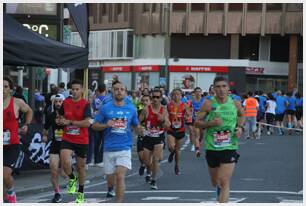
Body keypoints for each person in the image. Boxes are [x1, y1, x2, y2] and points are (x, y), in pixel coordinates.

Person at [195, 76, 245, 203]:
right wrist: (211, 123)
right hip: (212, 147)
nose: (221, 89)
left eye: (224, 86)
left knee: (224, 181)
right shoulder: (208, 104)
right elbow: (196, 123)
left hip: (230, 146)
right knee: (215, 181)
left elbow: (242, 115)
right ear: (213, 89)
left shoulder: (235, 103)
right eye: (218, 87)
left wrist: (240, 127)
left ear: (228, 88)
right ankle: (218, 187)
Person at [92, 81, 143, 203]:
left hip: (124, 148)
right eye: (116, 89)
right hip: (108, 148)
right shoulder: (105, 108)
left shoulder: (131, 108)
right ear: (112, 92)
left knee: (120, 176)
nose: (119, 91)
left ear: (125, 92)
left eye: (121, 89)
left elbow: (136, 125)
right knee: (111, 178)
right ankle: (110, 188)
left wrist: (140, 130)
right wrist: (106, 125)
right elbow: (94, 126)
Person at [58, 79, 91, 203]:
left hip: (82, 140)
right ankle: (72, 178)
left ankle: (81, 192)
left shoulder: (86, 104)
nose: (75, 91)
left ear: (82, 90)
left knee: (80, 167)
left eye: (77, 89)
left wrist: (71, 122)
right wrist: (59, 120)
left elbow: (87, 123)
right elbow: (60, 115)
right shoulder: (66, 102)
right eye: (73, 89)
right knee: (65, 160)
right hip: (68, 137)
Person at [3, 76, 33, 203]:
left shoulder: (16, 102)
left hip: (12, 145)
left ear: (10, 89)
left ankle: (10, 192)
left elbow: (29, 111)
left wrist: (26, 124)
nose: (2, 89)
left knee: (4, 175)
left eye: (5, 87)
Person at [139, 89, 170, 189]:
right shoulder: (146, 109)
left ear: (161, 98)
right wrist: (141, 129)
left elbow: (168, 126)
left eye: (157, 97)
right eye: (153, 97)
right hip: (148, 137)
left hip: (159, 137)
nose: (155, 99)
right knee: (148, 162)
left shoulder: (164, 110)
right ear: (151, 98)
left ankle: (153, 180)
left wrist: (163, 120)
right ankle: (148, 171)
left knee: (156, 160)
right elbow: (138, 122)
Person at [42, 94, 66, 202]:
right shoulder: (51, 115)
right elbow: (46, 128)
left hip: (67, 146)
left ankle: (73, 180)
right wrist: (45, 135)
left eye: (60, 101)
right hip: (55, 145)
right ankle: (57, 193)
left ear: (63, 102)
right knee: (53, 170)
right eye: (56, 101)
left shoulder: (68, 114)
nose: (58, 104)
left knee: (64, 173)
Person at [167, 88, 191, 175]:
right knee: (170, 146)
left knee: (178, 150)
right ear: (172, 96)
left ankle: (176, 165)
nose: (176, 96)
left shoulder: (184, 105)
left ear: (181, 96)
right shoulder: (169, 105)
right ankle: (171, 152)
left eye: (178, 94)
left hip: (180, 130)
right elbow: (166, 115)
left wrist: (186, 117)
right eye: (174, 94)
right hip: (171, 129)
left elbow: (188, 115)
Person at [137, 94, 152, 176]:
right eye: (143, 100)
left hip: (151, 136)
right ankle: (142, 164)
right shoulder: (139, 107)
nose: (145, 102)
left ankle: (149, 174)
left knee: (148, 158)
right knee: (141, 156)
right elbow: (136, 121)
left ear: (150, 101)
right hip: (141, 134)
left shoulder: (153, 109)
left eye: (147, 100)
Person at [191, 87, 205, 156]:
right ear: (195, 92)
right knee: (197, 135)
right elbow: (189, 110)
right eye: (197, 91)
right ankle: (197, 150)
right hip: (195, 120)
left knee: (201, 135)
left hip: (202, 121)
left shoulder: (204, 101)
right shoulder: (192, 101)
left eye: (199, 91)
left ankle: (199, 142)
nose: (198, 93)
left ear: (201, 92)